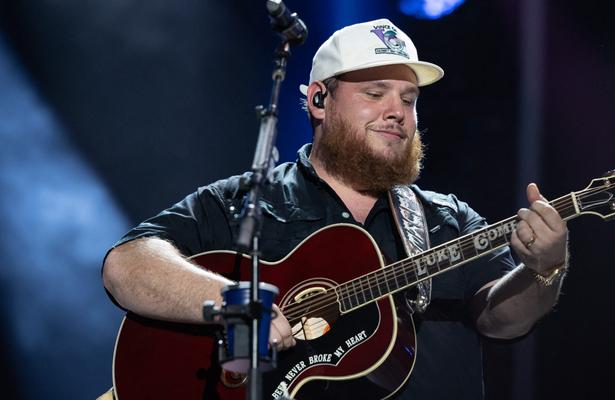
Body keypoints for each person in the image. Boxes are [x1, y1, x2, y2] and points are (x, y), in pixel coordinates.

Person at [102, 18, 568, 399]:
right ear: (318, 100)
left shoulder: (448, 220)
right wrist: (235, 304)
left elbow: (503, 321)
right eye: (375, 93)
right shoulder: (247, 202)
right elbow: (126, 265)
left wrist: (544, 270)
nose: (397, 112)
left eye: (409, 100)